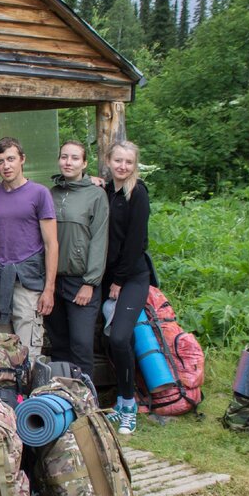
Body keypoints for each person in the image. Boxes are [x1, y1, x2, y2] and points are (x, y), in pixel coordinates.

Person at [0, 138, 58, 362]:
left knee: (28, 353)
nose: (6, 166)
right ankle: (2, 397)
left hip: (27, 282)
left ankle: (28, 397)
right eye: (0, 161)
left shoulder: (39, 193)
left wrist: (49, 289)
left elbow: (51, 244)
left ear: (22, 159)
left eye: (11, 159)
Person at [46, 140, 109, 374]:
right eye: (64, 157)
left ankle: (86, 401)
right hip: (53, 280)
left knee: (81, 344)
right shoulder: (51, 194)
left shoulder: (96, 195)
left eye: (74, 158)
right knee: (59, 343)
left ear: (84, 163)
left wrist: (90, 282)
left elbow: (100, 239)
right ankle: (61, 399)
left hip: (81, 281)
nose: (68, 162)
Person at [102, 140, 151, 435]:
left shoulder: (137, 193)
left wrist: (119, 281)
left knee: (120, 338)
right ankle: (121, 401)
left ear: (135, 165)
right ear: (109, 161)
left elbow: (134, 243)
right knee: (113, 341)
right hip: (107, 276)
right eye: (118, 161)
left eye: (128, 162)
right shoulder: (106, 190)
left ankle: (130, 405)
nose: (123, 166)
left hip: (132, 276)